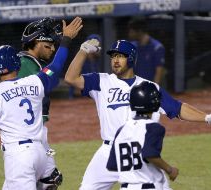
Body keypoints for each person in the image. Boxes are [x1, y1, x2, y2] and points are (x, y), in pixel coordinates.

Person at [64, 39, 211, 190]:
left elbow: (177, 108)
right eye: (113, 56)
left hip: (139, 152)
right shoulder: (101, 81)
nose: (115, 60)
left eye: (120, 56)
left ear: (131, 58)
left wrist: (207, 118)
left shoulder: (148, 88)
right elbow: (70, 78)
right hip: (108, 151)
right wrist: (84, 50)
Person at [0, 16, 83, 190]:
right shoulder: (35, 81)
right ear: (18, 62)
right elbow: (56, 67)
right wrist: (66, 40)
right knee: (49, 182)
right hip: (40, 152)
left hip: (18, 155)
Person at [18, 17, 64, 189]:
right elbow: (53, 75)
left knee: (50, 181)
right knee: (47, 180)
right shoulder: (23, 64)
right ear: (36, 41)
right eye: (48, 45)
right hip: (27, 138)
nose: (52, 49)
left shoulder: (31, 64)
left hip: (36, 135)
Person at [107, 81, 179, 190]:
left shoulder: (121, 130)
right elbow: (149, 154)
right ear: (154, 103)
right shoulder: (153, 127)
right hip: (149, 187)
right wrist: (169, 169)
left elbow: (113, 165)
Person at [128, 17, 165, 84]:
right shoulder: (131, 46)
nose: (129, 34)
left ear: (139, 31)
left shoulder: (157, 47)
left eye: (131, 32)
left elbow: (159, 71)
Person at [68, 34, 101, 99]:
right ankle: (71, 96)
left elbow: (97, 53)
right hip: (83, 67)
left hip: (90, 94)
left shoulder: (96, 58)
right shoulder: (81, 57)